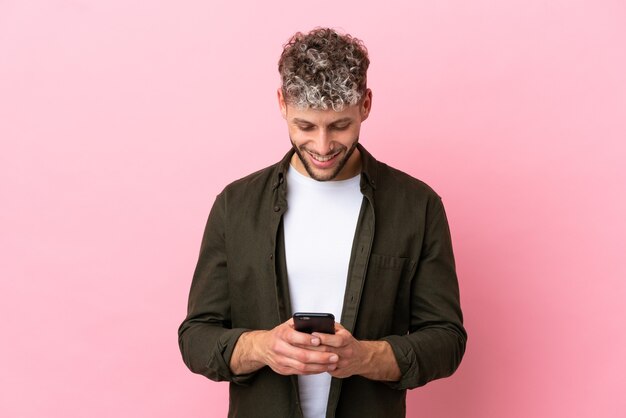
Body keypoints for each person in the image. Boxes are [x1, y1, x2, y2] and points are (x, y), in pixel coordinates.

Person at [178, 27, 467, 418]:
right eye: (306, 126)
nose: (322, 146)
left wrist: (364, 356)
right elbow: (196, 337)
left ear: (366, 104)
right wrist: (262, 347)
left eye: (340, 125)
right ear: (282, 103)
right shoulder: (235, 205)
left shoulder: (418, 206)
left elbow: (446, 340)